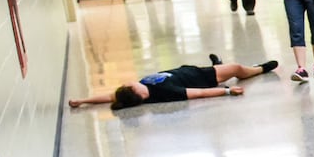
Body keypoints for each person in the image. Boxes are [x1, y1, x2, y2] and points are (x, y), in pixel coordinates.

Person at [67, 55, 278, 110]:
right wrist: (227, 91)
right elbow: (198, 94)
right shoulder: (165, 92)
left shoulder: (138, 90)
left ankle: (218, 64)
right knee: (236, 68)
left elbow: (108, 97)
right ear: (140, 95)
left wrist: (82, 100)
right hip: (204, 78)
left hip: (189, 70)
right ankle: (259, 68)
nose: (132, 82)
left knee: (226, 67)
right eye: (133, 86)